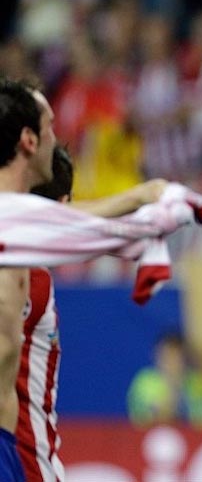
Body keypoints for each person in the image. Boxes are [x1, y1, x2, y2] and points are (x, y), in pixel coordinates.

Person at [16, 144, 169, 481]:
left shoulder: (24, 259)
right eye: (48, 123)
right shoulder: (29, 274)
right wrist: (140, 203)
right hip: (24, 454)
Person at [0, 78, 57, 482]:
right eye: (50, 126)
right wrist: (144, 205)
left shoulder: (23, 230)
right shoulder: (10, 225)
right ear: (29, 140)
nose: (57, 136)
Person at [126, 331, 202, 426]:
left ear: (185, 358)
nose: (170, 362)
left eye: (175, 356)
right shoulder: (145, 381)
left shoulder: (196, 382)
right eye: (166, 356)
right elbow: (143, 420)